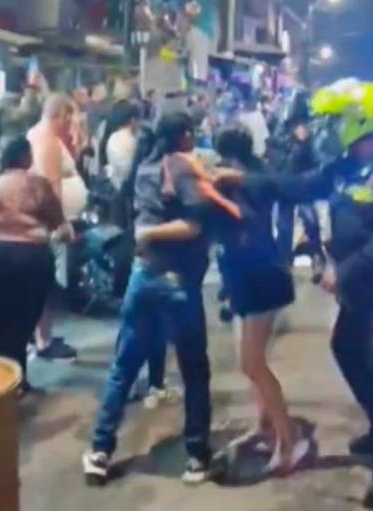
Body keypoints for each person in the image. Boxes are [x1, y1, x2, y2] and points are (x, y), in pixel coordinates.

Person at [214, 81, 373, 510]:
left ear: (363, 121)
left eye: (338, 120)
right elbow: (298, 186)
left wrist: (343, 271)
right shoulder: (346, 165)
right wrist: (245, 179)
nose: (330, 129)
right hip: (360, 291)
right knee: (346, 349)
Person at [82, 112, 241, 486]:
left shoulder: (146, 166)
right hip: (176, 283)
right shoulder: (180, 168)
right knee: (194, 371)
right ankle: (197, 458)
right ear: (183, 135)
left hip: (143, 279)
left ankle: (100, 451)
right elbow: (192, 226)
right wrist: (151, 234)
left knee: (124, 368)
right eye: (191, 133)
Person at [213, 124, 311, 475]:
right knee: (250, 362)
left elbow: (247, 219)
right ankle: (265, 425)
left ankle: (289, 440)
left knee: (253, 362)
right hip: (246, 280)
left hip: (260, 279)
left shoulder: (247, 182)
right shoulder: (248, 177)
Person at [0, 137, 72, 396]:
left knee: (0, 319)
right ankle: (18, 379)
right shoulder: (37, 184)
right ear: (25, 157)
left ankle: (7, 383)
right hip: (31, 256)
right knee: (25, 318)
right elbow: (57, 220)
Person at [27, 94, 88, 361]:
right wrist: (60, 223)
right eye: (71, 115)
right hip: (47, 225)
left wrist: (77, 137)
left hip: (46, 223)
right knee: (45, 283)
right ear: (62, 115)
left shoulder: (49, 138)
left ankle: (41, 334)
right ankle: (43, 341)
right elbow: (52, 185)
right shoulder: (46, 140)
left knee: (45, 282)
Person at [268, 88, 325, 282]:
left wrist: (305, 142)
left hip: (301, 181)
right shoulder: (281, 128)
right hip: (288, 181)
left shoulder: (309, 127)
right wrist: (300, 142)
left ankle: (316, 257)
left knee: (309, 220)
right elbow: (279, 155)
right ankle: (284, 262)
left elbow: (314, 157)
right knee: (286, 224)